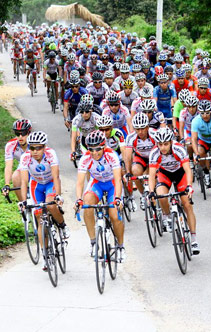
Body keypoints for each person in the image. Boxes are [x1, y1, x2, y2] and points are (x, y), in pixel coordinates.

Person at [18, 131, 70, 270]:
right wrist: (23, 201)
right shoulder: (25, 158)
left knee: (52, 206)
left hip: (50, 183)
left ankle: (62, 225)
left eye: (38, 148)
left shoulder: (51, 155)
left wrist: (57, 195)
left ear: (44, 147)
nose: (35, 151)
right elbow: (24, 182)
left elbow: (56, 176)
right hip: (36, 185)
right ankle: (45, 255)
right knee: (40, 217)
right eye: (32, 148)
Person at [75, 131, 125, 262]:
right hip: (97, 183)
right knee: (87, 204)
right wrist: (79, 199)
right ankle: (93, 242)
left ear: (103, 147)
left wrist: (118, 198)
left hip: (112, 184)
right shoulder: (85, 158)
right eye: (91, 149)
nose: (94, 153)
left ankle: (120, 247)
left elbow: (118, 179)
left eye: (98, 149)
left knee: (114, 215)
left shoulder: (111, 155)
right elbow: (80, 182)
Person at [148, 127, 199, 254]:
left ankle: (193, 239)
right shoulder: (154, 153)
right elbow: (152, 174)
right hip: (165, 174)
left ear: (171, 142)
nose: (163, 147)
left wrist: (189, 186)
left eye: (165, 144)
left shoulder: (179, 149)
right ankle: (167, 215)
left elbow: (188, 169)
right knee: (161, 195)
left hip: (180, 173)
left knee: (187, 204)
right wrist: (151, 191)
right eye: (160, 144)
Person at [124, 113, 156, 210]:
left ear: (147, 127)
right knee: (135, 172)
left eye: (143, 128)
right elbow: (128, 156)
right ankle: (143, 194)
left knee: (151, 176)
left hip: (153, 158)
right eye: (138, 129)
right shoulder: (131, 137)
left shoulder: (154, 134)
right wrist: (128, 172)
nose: (140, 132)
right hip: (140, 157)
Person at [2, 119, 31, 201]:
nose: (20, 137)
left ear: (29, 132)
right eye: (17, 134)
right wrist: (7, 184)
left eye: (23, 133)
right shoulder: (11, 145)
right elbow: (8, 166)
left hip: (36, 167)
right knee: (15, 177)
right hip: (23, 167)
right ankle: (23, 205)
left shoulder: (34, 143)